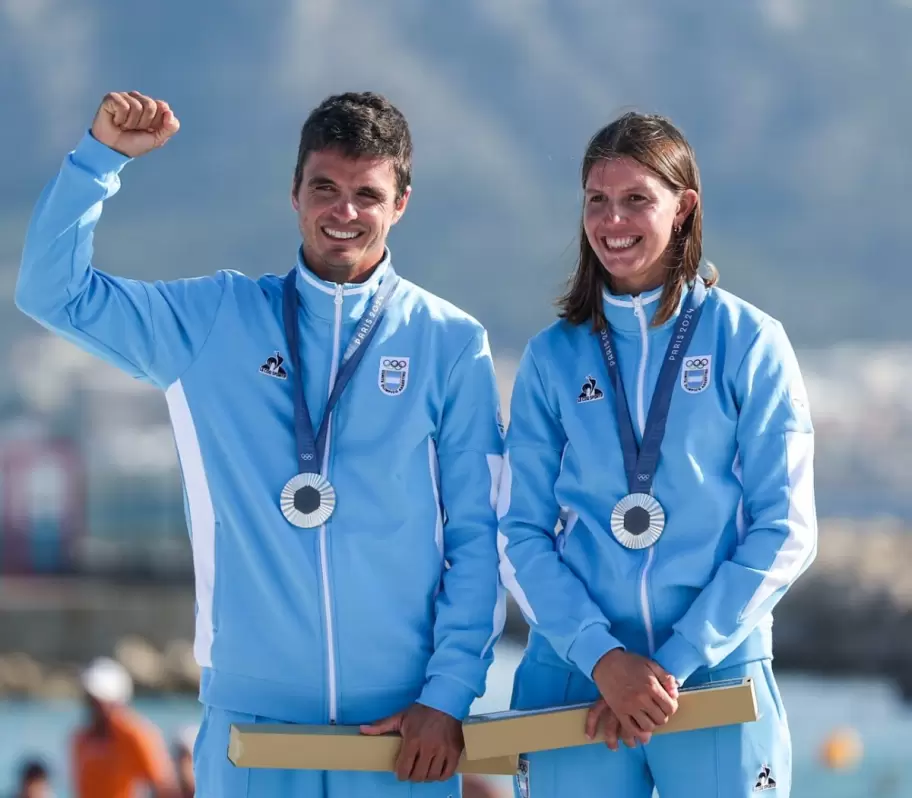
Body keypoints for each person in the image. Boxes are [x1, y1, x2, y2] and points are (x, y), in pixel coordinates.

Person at [17, 90, 504, 798]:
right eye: (324, 188)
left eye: (367, 194)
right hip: (252, 729)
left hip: (401, 731)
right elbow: (50, 293)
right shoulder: (213, 321)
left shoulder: (450, 344)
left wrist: (449, 697)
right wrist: (99, 160)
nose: (344, 212)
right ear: (294, 192)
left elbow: (478, 534)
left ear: (400, 202)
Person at [496, 111, 817, 797]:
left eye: (637, 198)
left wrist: (667, 665)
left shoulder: (750, 342)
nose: (614, 220)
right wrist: (602, 657)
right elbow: (519, 532)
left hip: (712, 678)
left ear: (684, 207)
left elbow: (785, 528)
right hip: (573, 681)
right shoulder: (553, 358)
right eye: (597, 201)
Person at [70, 657, 178, 798]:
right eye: (90, 699)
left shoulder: (135, 734)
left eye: (96, 701)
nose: (91, 706)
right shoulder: (81, 739)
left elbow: (164, 786)